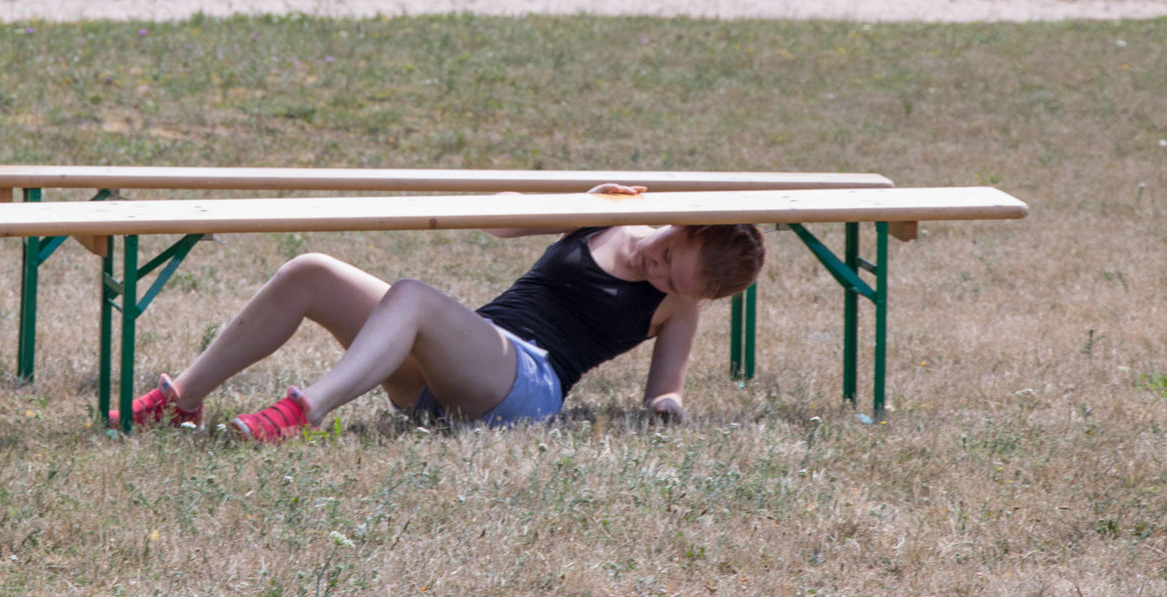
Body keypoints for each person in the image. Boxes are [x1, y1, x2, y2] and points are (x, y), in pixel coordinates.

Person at [119, 186, 765, 442]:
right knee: (310, 271)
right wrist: (582, 199)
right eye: (668, 256)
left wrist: (668, 409)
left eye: (673, 280)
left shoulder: (677, 305)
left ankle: (301, 412)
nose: (659, 272)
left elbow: (665, 391)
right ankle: (182, 399)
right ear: (681, 222)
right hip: (458, 365)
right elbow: (495, 222)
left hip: (527, 387)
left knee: (413, 296)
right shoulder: (611, 214)